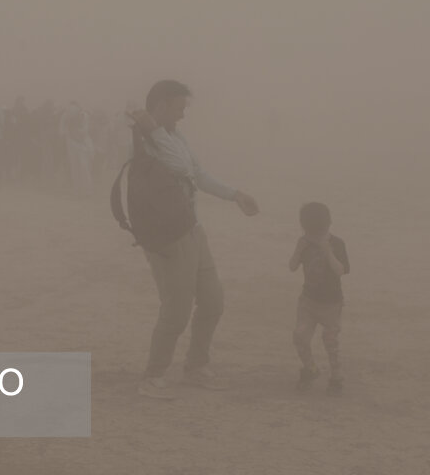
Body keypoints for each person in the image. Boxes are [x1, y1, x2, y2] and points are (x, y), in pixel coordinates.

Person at [128, 80, 260, 400]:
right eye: (179, 108)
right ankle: (154, 374)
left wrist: (235, 195)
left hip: (191, 229)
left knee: (213, 301)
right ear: (159, 107)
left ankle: (196, 366)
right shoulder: (145, 138)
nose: (183, 115)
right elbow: (179, 165)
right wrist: (155, 130)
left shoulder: (173, 136)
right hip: (166, 236)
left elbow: (196, 174)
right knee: (176, 309)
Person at [288, 202, 350, 396]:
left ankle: (337, 377)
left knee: (330, 341)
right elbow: (292, 266)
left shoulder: (337, 243)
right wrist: (299, 248)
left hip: (331, 303)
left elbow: (341, 271)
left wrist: (327, 251)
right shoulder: (304, 242)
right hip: (308, 301)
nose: (313, 237)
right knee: (300, 336)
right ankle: (311, 369)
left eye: (317, 233)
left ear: (328, 225)